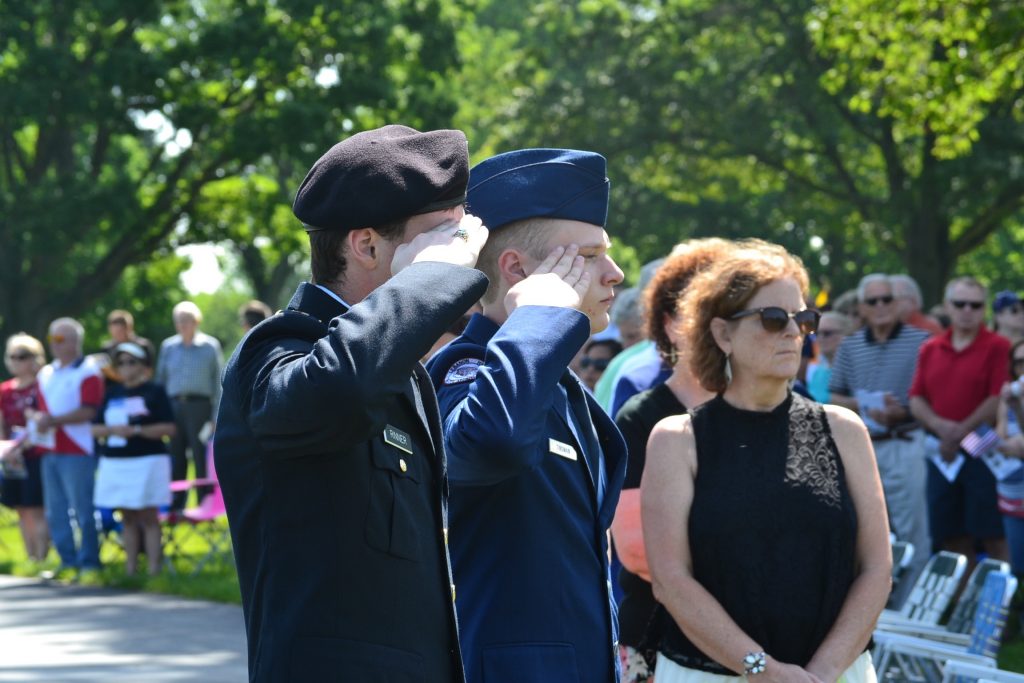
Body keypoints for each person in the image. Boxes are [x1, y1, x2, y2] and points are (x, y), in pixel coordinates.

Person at [214, 124, 488, 683]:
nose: (465, 258)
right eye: (444, 238)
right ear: (365, 245)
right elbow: (338, 392)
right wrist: (431, 277)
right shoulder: (281, 348)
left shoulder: (399, 368)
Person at [642, 243, 891, 683]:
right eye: (774, 319)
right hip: (712, 675)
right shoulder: (676, 440)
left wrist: (824, 671)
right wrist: (762, 669)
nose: (794, 333)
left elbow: (876, 568)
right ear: (722, 334)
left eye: (804, 319)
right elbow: (670, 580)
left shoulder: (844, 430)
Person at [427, 148, 627, 683]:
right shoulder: (468, 370)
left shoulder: (554, 382)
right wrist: (537, 316)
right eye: (589, 255)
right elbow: (495, 442)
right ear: (517, 270)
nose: (615, 273)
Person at [611, 238, 732, 683]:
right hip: (658, 635)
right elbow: (639, 549)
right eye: (705, 311)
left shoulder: (759, 409)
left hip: (752, 639)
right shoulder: (642, 414)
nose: (722, 327)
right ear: (670, 323)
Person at [828, 274, 931, 607]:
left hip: (905, 442)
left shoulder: (922, 341)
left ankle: (909, 609)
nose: (882, 306)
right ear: (862, 307)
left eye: (887, 299)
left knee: (911, 529)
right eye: (874, 301)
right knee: (863, 529)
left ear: (899, 303)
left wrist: (902, 411)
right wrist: (863, 405)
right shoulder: (850, 345)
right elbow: (835, 396)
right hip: (863, 446)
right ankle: (869, 607)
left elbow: (933, 396)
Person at [910, 276, 1010, 570]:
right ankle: (960, 608)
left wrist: (958, 431)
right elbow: (916, 397)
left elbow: (996, 398)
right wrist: (943, 428)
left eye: (975, 305)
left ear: (984, 309)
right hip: (942, 452)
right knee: (950, 535)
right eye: (960, 303)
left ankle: (1000, 610)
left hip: (983, 449)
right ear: (947, 307)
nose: (967, 310)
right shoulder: (931, 348)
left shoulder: (998, 346)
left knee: (992, 534)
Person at [92, 342, 175, 576]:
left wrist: (137, 431)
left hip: (148, 460)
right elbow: (94, 429)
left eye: (131, 361)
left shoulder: (155, 391)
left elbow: (169, 428)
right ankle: (130, 571)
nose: (125, 367)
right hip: (116, 462)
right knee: (127, 517)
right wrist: (112, 430)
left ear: (144, 366)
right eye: (121, 362)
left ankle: (153, 571)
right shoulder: (112, 393)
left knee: (149, 517)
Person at [32, 317, 105, 577]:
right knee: (56, 510)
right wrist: (40, 420)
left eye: (60, 339)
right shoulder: (45, 373)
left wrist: (54, 420)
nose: (55, 344)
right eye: (52, 339)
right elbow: (42, 409)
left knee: (83, 508)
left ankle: (89, 562)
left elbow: (88, 410)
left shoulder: (89, 370)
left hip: (77, 449)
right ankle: (67, 561)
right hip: (49, 449)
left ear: (75, 342)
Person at [154, 301, 223, 510]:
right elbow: (160, 381)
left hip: (199, 406)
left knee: (200, 455)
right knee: (176, 455)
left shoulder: (210, 346)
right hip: (174, 406)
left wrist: (214, 417)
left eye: (186, 320)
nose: (182, 324)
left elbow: (217, 383)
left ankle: (205, 502)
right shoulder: (168, 347)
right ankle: (177, 502)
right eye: (179, 321)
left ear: (196, 321)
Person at [0, 333, 50, 562]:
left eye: (23, 356)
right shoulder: (5, 390)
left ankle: (42, 558)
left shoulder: (43, 386)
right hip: (12, 456)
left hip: (37, 453)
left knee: (37, 508)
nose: (17, 361)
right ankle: (30, 558)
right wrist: (7, 450)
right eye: (13, 356)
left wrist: (24, 446)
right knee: (21, 508)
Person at [994, 340, 1024, 576]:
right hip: (1013, 491)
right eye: (1020, 362)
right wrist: (1014, 406)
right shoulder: (1008, 395)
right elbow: (1000, 441)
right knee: (1019, 567)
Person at [805, 312, 854, 403]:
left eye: (827, 333)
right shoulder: (816, 370)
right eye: (817, 334)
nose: (820, 338)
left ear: (847, 334)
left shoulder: (856, 369)